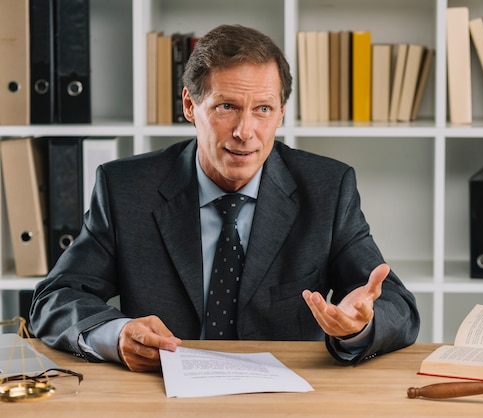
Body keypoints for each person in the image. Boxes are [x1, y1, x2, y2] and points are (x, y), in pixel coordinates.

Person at [30, 24, 420, 372]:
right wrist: (115, 335)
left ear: (281, 113)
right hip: (159, 393)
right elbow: (54, 299)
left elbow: (397, 307)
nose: (245, 131)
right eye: (226, 107)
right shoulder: (125, 187)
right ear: (189, 106)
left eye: (263, 109)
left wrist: (359, 326)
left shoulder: (328, 188)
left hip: (284, 396)